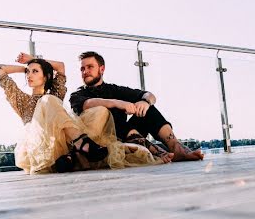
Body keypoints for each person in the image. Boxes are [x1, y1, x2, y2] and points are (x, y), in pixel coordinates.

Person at [0, 53, 160, 174]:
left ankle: (76, 156)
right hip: (41, 150)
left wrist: (37, 62)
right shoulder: (21, 100)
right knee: (47, 100)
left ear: (46, 76)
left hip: (63, 146)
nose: (29, 75)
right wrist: (28, 66)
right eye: (28, 73)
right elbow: (0, 69)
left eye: (34, 71)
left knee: (101, 111)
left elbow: (60, 66)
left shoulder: (57, 92)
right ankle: (83, 146)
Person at [69, 51, 204, 162]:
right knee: (105, 112)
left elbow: (149, 95)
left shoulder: (115, 89)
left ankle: (176, 147)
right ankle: (149, 148)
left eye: (89, 67)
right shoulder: (77, 95)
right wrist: (118, 103)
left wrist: (145, 102)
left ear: (102, 69)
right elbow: (87, 104)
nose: (85, 71)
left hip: (126, 134)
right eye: (82, 68)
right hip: (99, 144)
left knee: (147, 108)